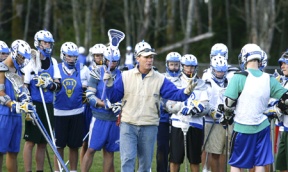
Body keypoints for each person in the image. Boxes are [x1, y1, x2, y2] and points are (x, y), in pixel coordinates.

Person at [104, 40, 197, 172]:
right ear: (138, 58)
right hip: (128, 124)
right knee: (127, 160)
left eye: (151, 57)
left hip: (149, 126)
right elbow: (113, 97)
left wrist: (186, 91)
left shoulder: (160, 79)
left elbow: (176, 95)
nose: (150, 60)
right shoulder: (125, 76)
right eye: (146, 57)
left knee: (145, 164)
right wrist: (108, 85)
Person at [223, 43, 288, 172]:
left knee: (237, 164)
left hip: (242, 126)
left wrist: (227, 117)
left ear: (245, 57)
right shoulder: (268, 78)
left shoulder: (239, 77)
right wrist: (277, 109)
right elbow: (286, 99)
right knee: (260, 164)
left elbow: (228, 104)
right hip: (263, 127)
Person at [22, 29, 61, 172]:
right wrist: (28, 102)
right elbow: (24, 86)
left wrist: (48, 84)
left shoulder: (53, 61)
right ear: (38, 43)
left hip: (48, 104)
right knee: (30, 141)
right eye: (45, 43)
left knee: (43, 142)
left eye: (50, 43)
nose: (48, 46)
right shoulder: (30, 61)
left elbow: (58, 85)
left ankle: (40, 170)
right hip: (34, 105)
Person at [81, 46, 122, 172]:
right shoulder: (96, 72)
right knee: (91, 149)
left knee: (109, 152)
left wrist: (119, 104)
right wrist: (104, 104)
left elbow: (124, 95)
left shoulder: (122, 75)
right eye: (110, 60)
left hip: (114, 120)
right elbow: (89, 95)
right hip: (99, 118)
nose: (112, 63)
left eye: (115, 61)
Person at [168, 54, 209, 172]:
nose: (190, 70)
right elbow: (169, 104)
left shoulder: (201, 83)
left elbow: (206, 105)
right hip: (178, 124)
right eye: (187, 67)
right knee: (175, 159)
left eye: (192, 67)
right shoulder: (175, 82)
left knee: (195, 160)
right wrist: (180, 107)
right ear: (182, 67)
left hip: (195, 124)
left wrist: (196, 109)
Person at [0, 39, 33, 172]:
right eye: (21, 56)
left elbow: (21, 90)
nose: (22, 60)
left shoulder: (18, 70)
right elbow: (0, 93)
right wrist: (14, 105)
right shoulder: (2, 68)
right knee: (0, 151)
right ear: (14, 53)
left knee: (13, 152)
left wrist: (26, 103)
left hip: (16, 116)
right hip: (4, 115)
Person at [53, 42, 85, 172]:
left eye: (74, 56)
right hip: (59, 112)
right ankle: (58, 170)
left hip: (77, 112)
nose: (71, 59)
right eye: (69, 56)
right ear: (63, 55)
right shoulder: (56, 68)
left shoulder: (83, 69)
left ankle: (73, 170)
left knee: (74, 146)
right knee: (59, 145)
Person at [203, 54, 229, 172]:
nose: (220, 74)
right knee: (214, 152)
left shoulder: (228, 82)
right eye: (218, 71)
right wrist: (212, 111)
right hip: (212, 121)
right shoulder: (208, 83)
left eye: (222, 71)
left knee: (225, 153)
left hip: (226, 122)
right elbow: (205, 101)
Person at [156, 52, 182, 172]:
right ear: (167, 64)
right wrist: (165, 105)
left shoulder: (183, 79)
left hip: (178, 120)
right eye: (171, 64)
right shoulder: (161, 78)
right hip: (163, 119)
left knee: (176, 151)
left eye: (176, 65)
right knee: (162, 149)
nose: (174, 67)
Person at [275, 49, 288, 172]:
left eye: (285, 63)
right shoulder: (285, 82)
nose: (282, 66)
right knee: (282, 165)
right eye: (281, 64)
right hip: (285, 128)